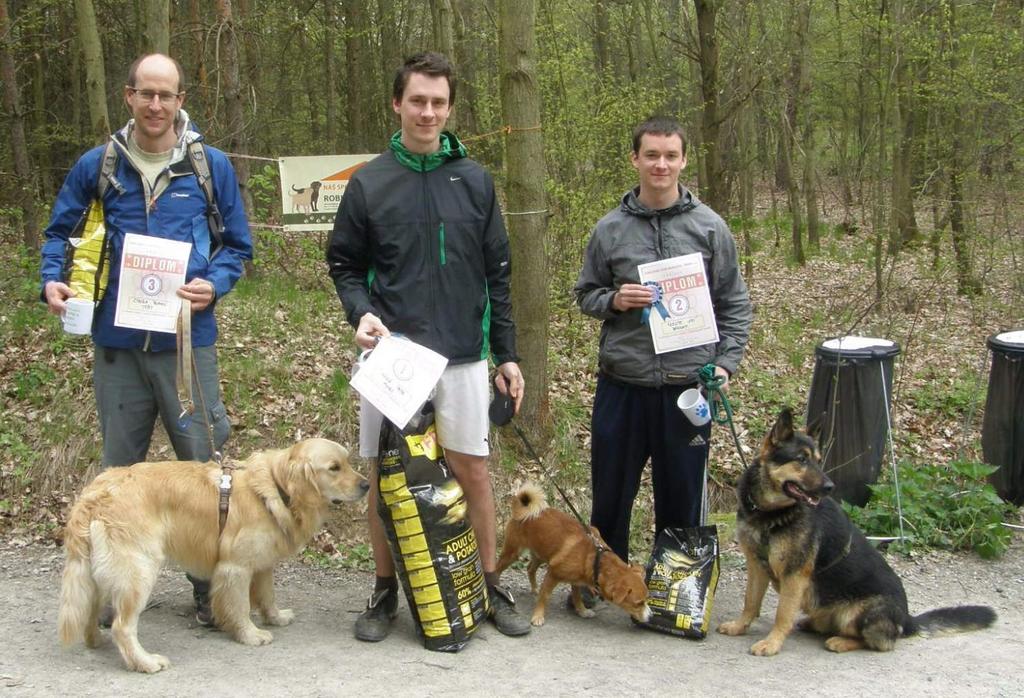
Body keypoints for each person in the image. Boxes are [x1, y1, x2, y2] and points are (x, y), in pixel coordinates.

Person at [40, 53, 253, 625]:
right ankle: (114, 588)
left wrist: (217, 283)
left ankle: (209, 590)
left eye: (167, 95)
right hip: (116, 344)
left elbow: (238, 245)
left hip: (187, 345)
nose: (156, 105)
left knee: (205, 472)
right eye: (146, 94)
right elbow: (60, 232)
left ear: (182, 99)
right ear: (129, 95)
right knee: (119, 472)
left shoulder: (211, 168)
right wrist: (52, 282)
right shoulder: (99, 165)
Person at [326, 51, 530, 641]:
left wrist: (506, 353)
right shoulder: (369, 182)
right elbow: (344, 264)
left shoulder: (475, 180)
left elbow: (499, 274)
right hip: (393, 355)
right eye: (417, 100)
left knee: (473, 469)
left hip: (463, 354)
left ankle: (488, 585)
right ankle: (385, 591)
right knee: (387, 472)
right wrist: (359, 313)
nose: (428, 112)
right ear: (397, 103)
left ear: (450, 108)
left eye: (439, 102)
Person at [574, 116, 753, 574]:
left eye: (670, 155)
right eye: (651, 155)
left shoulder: (710, 228)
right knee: (611, 495)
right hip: (623, 384)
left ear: (683, 160)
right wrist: (614, 299)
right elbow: (584, 295)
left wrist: (726, 365)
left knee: (682, 494)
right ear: (635, 159)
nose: (660, 164)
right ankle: (606, 581)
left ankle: (676, 591)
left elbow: (734, 303)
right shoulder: (609, 230)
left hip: (687, 388)